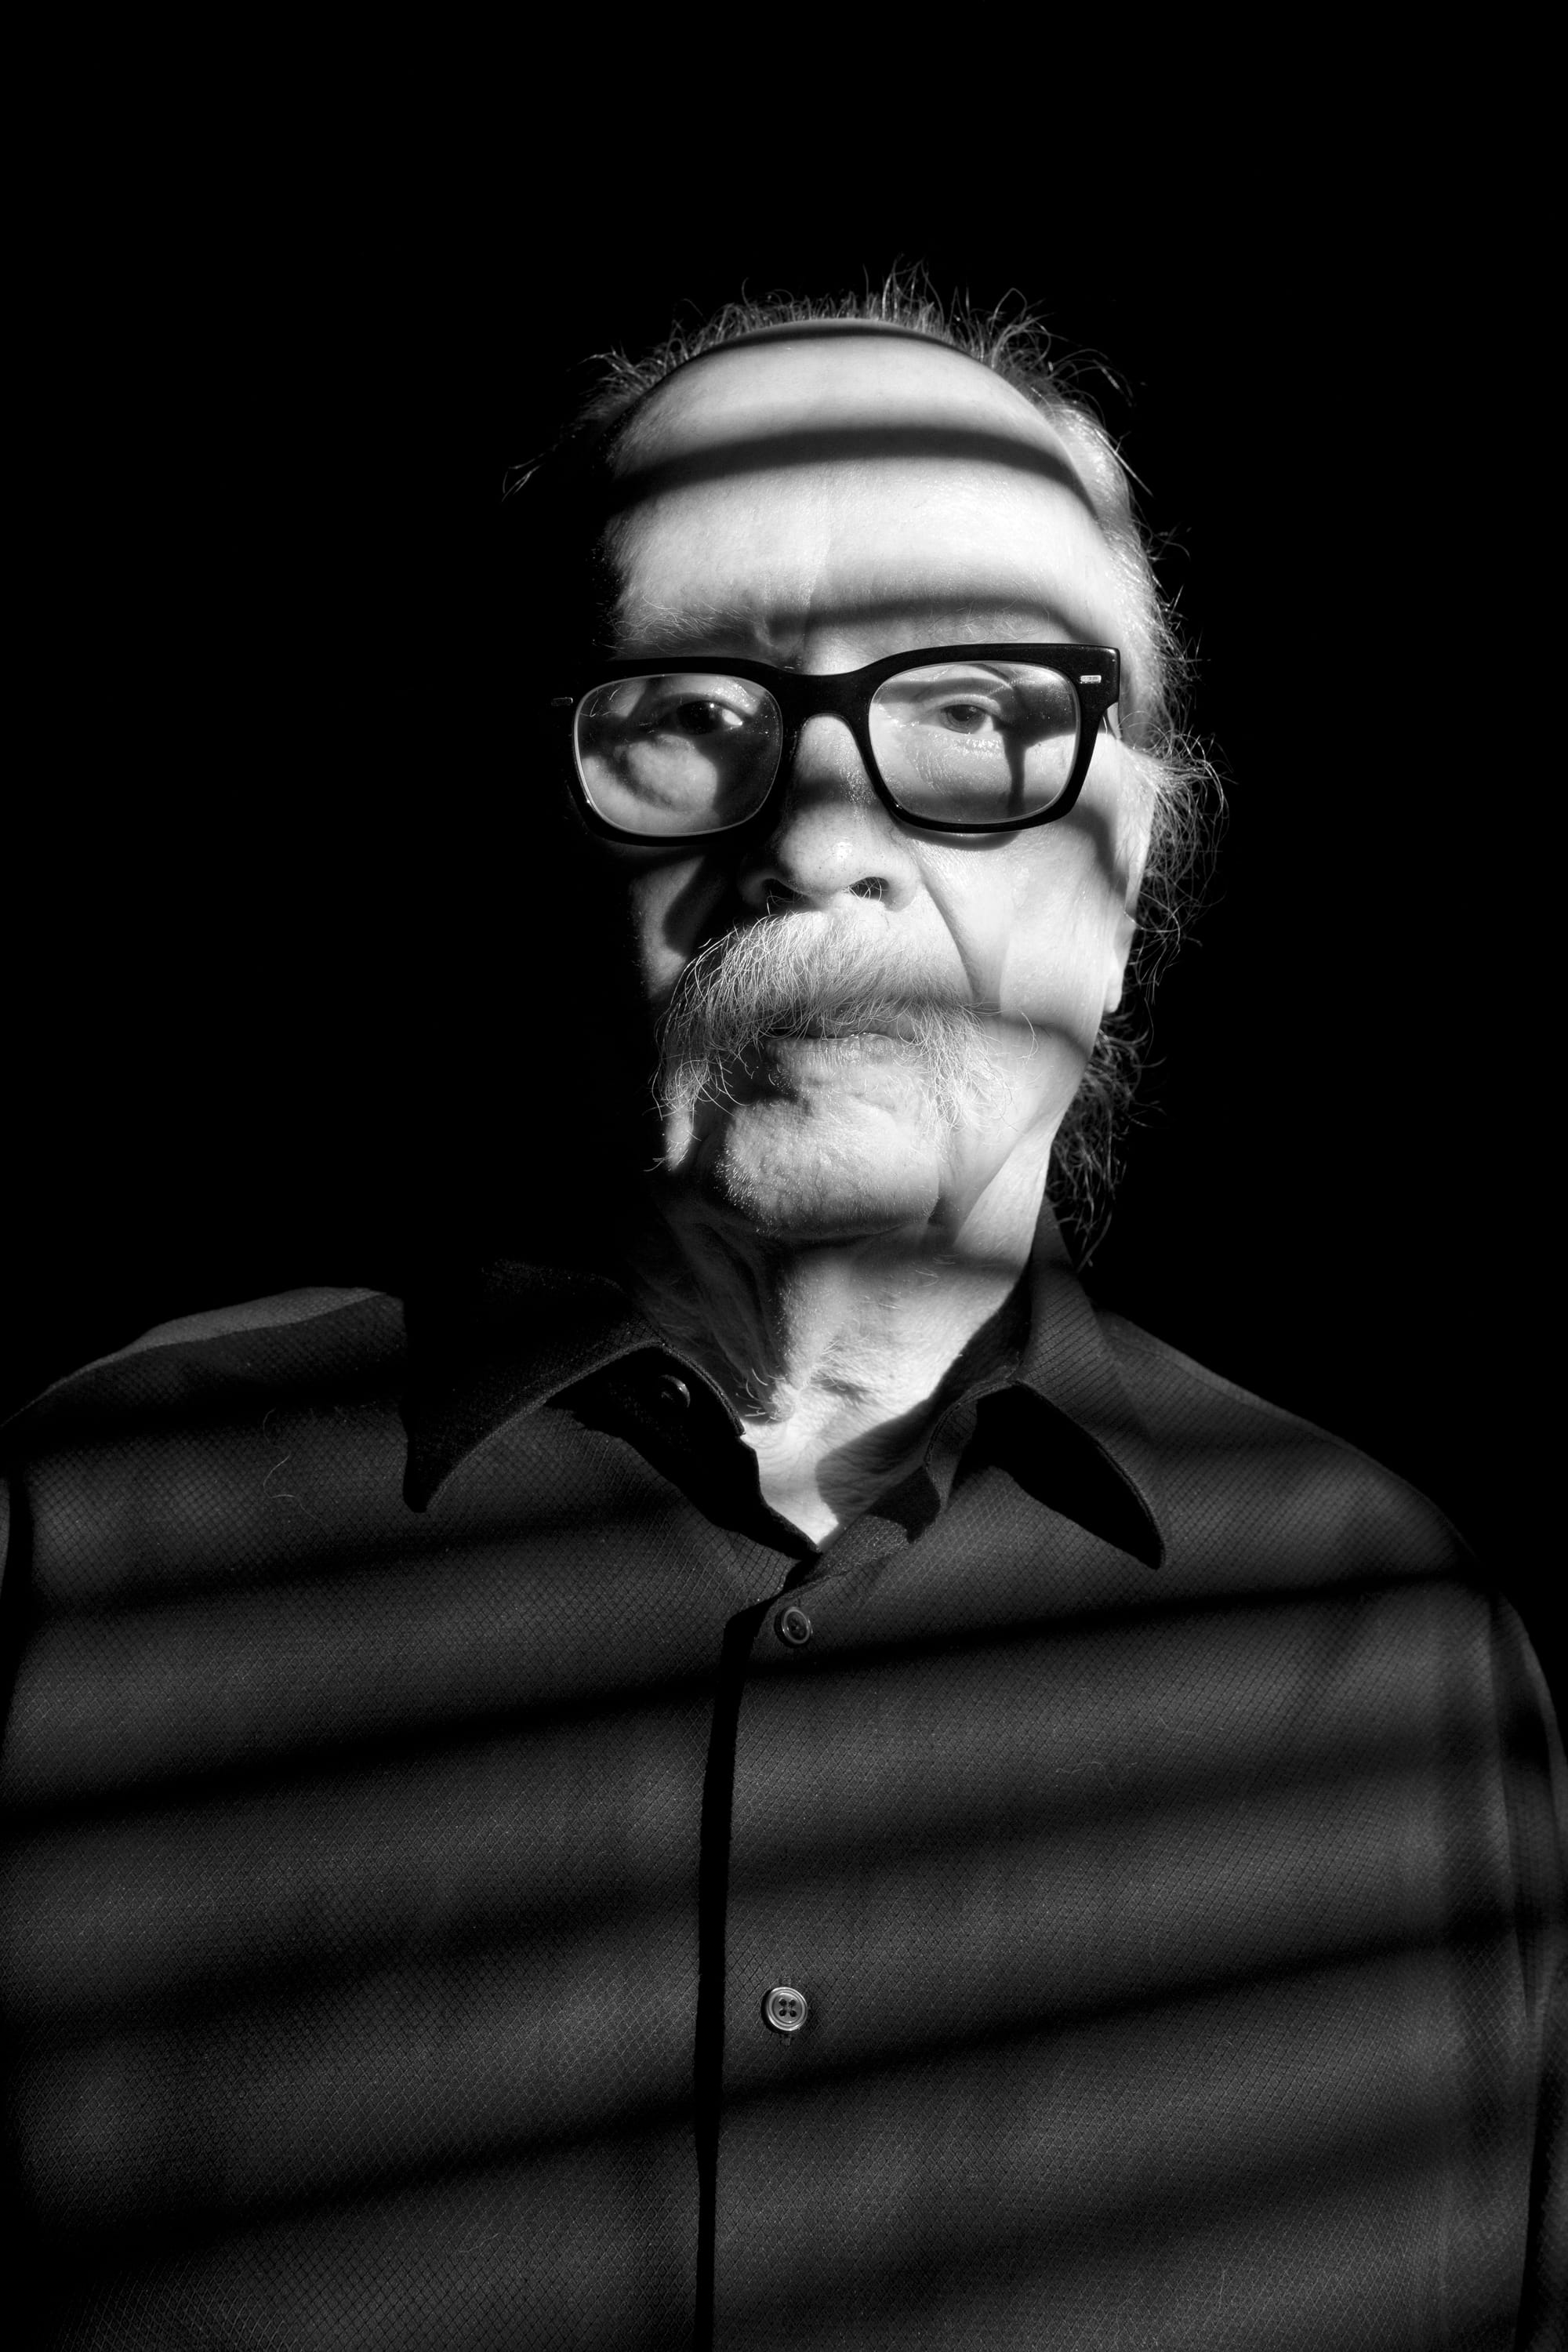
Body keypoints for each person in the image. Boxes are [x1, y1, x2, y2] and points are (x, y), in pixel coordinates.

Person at [2, 290, 1562, 2351]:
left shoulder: (1410, 1658)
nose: (821, 837)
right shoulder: (79, 1553)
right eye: (688, 716)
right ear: (539, 846)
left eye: (977, 715)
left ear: (1131, 873)